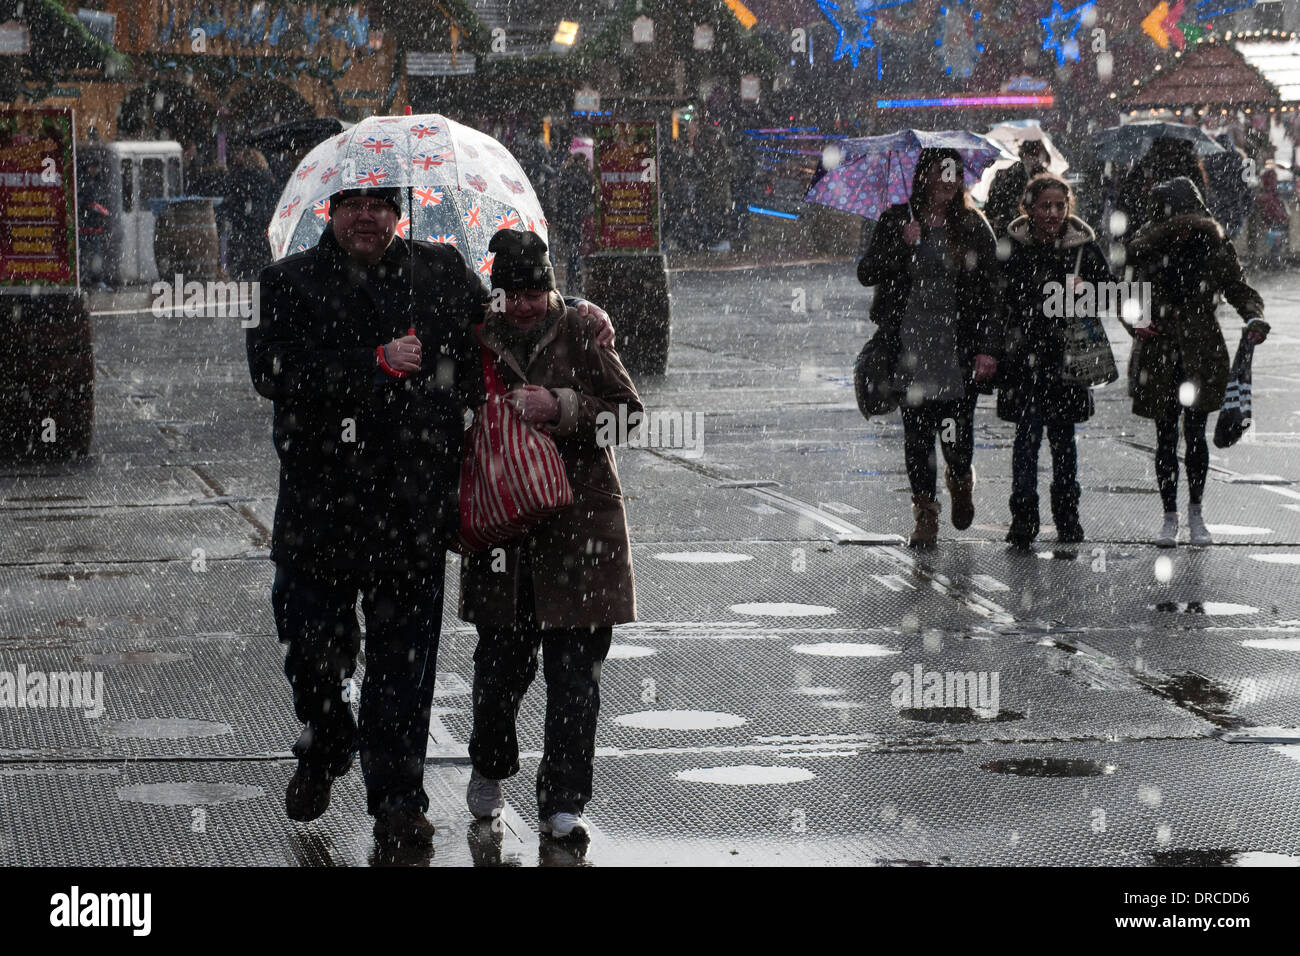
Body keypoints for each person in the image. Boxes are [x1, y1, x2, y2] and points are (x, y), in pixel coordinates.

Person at [246, 185, 614, 850]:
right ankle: (327, 738)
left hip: (412, 511)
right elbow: (271, 369)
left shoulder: (439, 272)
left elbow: (502, 333)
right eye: (353, 203)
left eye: (381, 204)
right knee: (313, 657)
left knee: (403, 673)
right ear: (331, 209)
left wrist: (577, 317)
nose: (367, 216)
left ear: (399, 211)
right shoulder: (287, 281)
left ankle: (397, 802)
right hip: (318, 514)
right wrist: (373, 364)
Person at [459, 229, 641, 842]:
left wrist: (560, 406)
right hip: (502, 532)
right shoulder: (474, 336)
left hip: (580, 535)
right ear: (498, 293)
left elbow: (627, 413)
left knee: (575, 682)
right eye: (515, 293)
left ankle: (562, 803)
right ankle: (488, 762)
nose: (529, 304)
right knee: (499, 675)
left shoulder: (585, 328)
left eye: (538, 290)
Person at [858, 147, 1002, 547]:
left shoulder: (973, 226)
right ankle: (925, 514)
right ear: (924, 176)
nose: (949, 180)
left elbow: (993, 292)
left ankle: (960, 480)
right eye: (942, 172)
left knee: (956, 435)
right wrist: (901, 245)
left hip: (957, 349)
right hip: (910, 346)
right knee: (918, 437)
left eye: (955, 173)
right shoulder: (896, 220)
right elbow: (866, 272)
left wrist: (988, 348)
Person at [1124, 177, 1269, 547]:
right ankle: (1171, 516)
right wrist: (1136, 322)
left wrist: (1254, 317)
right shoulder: (1145, 250)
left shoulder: (1214, 247)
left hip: (1201, 350)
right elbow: (1127, 295)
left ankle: (1195, 512)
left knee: (1195, 435)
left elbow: (1238, 288)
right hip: (1160, 351)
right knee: (1167, 436)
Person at [997, 173, 1113, 548]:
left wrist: (1087, 290)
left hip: (1067, 361)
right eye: (1045, 205)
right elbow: (998, 299)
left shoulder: (1084, 248)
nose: (1052, 213)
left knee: (1064, 443)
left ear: (1069, 207)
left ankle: (1068, 519)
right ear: (1028, 208)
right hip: (1024, 359)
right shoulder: (1012, 245)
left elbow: (1109, 295)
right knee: (1026, 443)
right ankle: (1023, 521)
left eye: (1059, 206)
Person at [222, 147, 280, 280]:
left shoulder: (242, 177)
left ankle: (245, 275)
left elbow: (236, 198)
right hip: (263, 218)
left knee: (245, 251)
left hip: (245, 220)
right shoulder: (267, 176)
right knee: (261, 250)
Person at [552, 149, 596, 294]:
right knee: (575, 250)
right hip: (577, 218)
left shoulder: (565, 174)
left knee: (572, 249)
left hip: (566, 217)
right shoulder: (585, 176)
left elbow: (559, 197)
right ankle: (574, 279)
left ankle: (573, 279)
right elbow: (589, 197)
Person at [984, 139, 1050, 237]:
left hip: (1036, 227)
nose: (1036, 158)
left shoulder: (1046, 176)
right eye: (1033, 153)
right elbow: (994, 203)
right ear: (1024, 154)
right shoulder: (1008, 173)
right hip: (1011, 226)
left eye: (1039, 154)